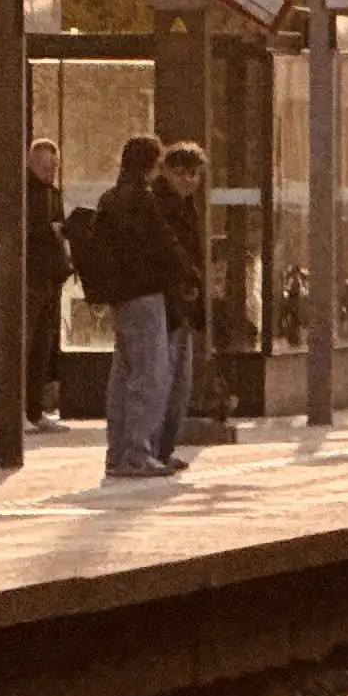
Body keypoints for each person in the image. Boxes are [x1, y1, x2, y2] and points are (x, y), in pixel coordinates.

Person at [82, 136, 181, 480]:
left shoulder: (109, 199)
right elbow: (163, 244)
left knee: (123, 377)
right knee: (150, 375)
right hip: (145, 296)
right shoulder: (141, 200)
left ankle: (118, 452)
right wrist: (191, 275)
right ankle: (138, 452)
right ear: (150, 165)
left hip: (121, 299)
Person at [0, 137, 70, 424]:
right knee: (24, 346)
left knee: (41, 347)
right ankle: (15, 411)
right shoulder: (20, 194)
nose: (49, 171)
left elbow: (56, 231)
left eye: (53, 165)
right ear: (31, 164)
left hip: (48, 279)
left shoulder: (53, 194)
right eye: (44, 165)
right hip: (28, 279)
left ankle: (33, 409)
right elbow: (22, 233)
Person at [155, 144, 210, 466]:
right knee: (166, 381)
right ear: (165, 171)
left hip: (183, 306)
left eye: (194, 174)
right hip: (169, 305)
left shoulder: (186, 206)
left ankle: (164, 450)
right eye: (181, 172)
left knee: (179, 382)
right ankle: (157, 449)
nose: (188, 180)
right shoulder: (163, 206)